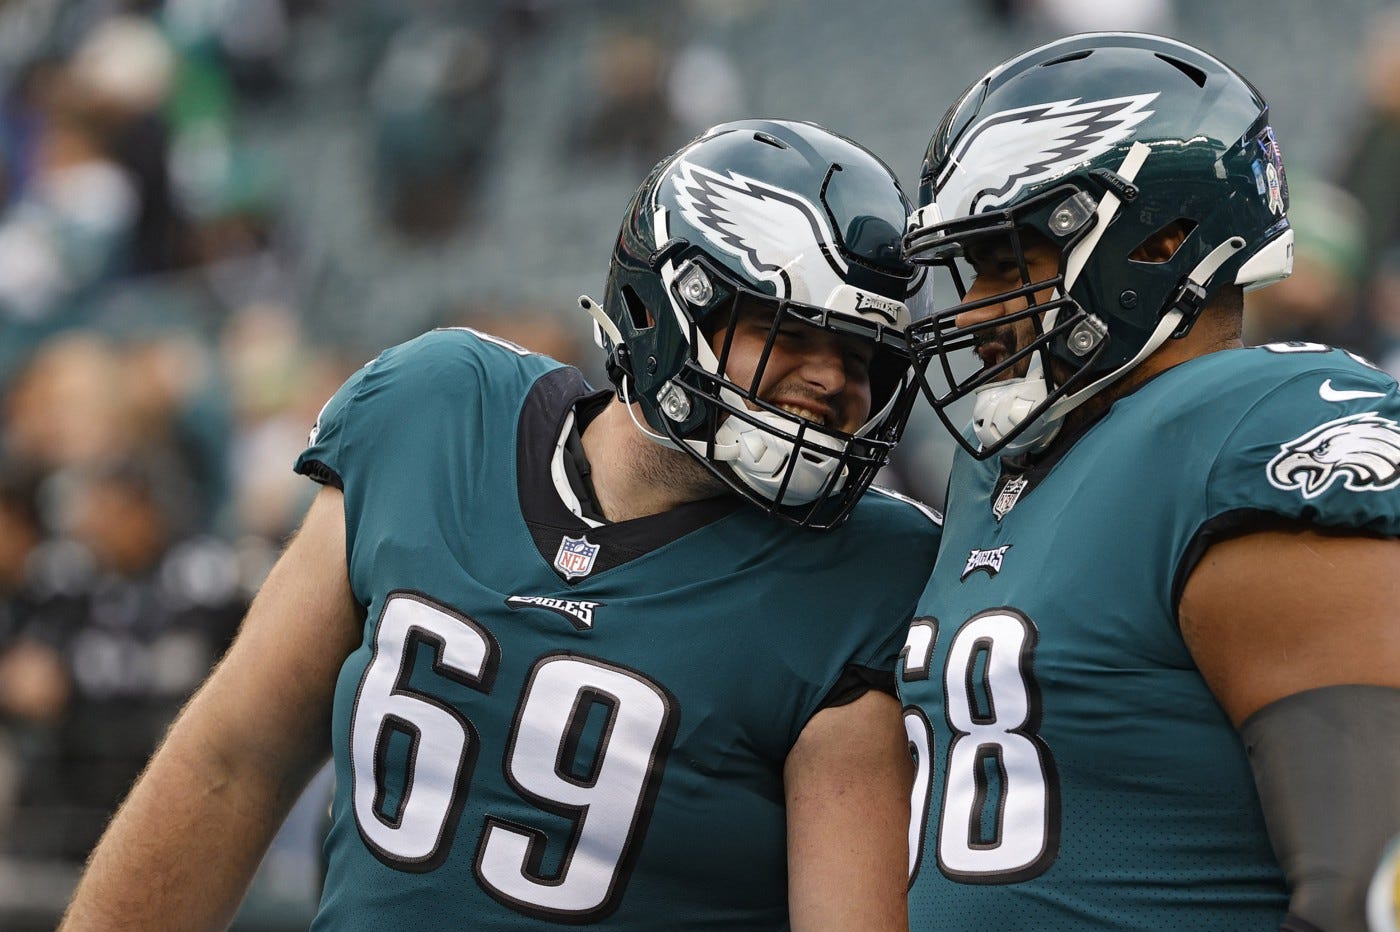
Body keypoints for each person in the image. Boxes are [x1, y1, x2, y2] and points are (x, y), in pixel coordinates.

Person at [61, 118, 941, 930]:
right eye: (796, 335)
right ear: (679, 303)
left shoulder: (860, 573)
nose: (836, 384)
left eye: (864, 359)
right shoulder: (436, 410)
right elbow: (231, 763)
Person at [897, 33, 1400, 931]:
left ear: (1160, 239)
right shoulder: (996, 473)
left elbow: (1374, 884)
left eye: (1009, 264)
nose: (972, 314)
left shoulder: (1254, 429)